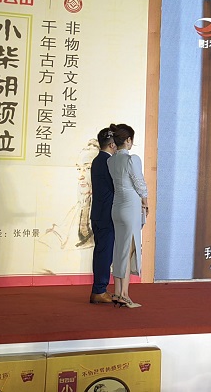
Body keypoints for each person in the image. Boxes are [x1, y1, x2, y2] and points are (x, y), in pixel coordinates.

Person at [107, 123, 148, 308]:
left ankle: (118, 292)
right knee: (128, 249)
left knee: (119, 249)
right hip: (130, 206)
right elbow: (139, 183)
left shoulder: (111, 161)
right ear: (128, 140)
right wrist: (146, 202)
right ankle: (124, 294)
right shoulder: (132, 159)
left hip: (117, 207)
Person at [89, 128, 117, 304]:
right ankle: (99, 290)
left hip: (99, 213)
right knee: (104, 253)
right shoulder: (108, 162)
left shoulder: (98, 160)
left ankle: (99, 289)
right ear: (112, 144)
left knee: (101, 252)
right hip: (106, 214)